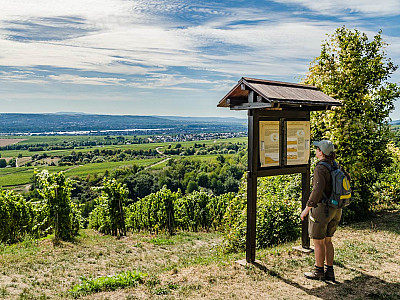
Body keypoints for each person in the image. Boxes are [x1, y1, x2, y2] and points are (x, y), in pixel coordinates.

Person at [300, 140, 349, 282]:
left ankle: (318, 271)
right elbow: (348, 178)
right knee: (328, 241)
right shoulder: (335, 165)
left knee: (318, 242)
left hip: (322, 209)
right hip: (336, 209)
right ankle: (330, 271)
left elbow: (317, 190)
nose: (315, 150)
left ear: (321, 152)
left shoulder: (320, 168)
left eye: (317, 148)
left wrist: (306, 209)